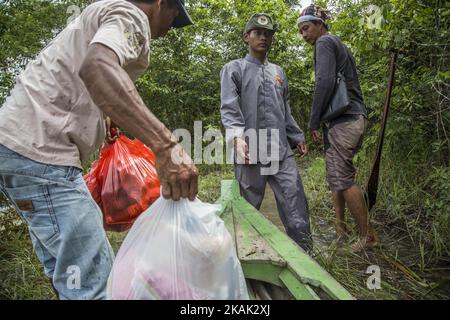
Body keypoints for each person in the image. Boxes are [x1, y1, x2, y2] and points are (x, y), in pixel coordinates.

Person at [0, 0, 198, 299]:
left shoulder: (98, 12)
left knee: (70, 276)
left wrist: (103, 117)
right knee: (96, 285)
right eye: (174, 16)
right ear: (159, 3)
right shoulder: (132, 14)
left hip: (17, 149)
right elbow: (97, 67)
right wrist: (166, 145)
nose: (172, 27)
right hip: (42, 155)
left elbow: (84, 72)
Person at [220, 13, 312, 252]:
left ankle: (306, 257)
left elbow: (285, 110)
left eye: (268, 34)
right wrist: (236, 138)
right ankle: (243, 260)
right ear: (246, 37)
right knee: (248, 209)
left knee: (295, 205)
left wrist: (297, 136)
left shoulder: (278, 72)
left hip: (281, 152)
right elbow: (229, 108)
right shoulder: (234, 69)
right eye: (258, 33)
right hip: (249, 151)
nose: (263, 37)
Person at [297, 4, 378, 251]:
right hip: (346, 118)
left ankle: (369, 236)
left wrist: (313, 120)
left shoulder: (324, 43)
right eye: (300, 31)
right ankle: (341, 228)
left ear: (320, 25)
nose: (304, 35)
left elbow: (324, 82)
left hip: (346, 119)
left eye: (307, 28)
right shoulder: (337, 44)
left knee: (342, 177)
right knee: (335, 175)